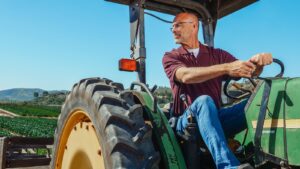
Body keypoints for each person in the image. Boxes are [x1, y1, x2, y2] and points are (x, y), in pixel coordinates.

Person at [162, 12, 273, 169]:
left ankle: (271, 159)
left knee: (258, 102)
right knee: (204, 101)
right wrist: (227, 67)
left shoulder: (217, 54)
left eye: (178, 25)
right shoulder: (171, 56)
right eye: (172, 27)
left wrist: (258, 63)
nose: (173, 29)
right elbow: (185, 76)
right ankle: (228, 166)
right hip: (185, 121)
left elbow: (247, 71)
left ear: (194, 26)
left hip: (215, 118)